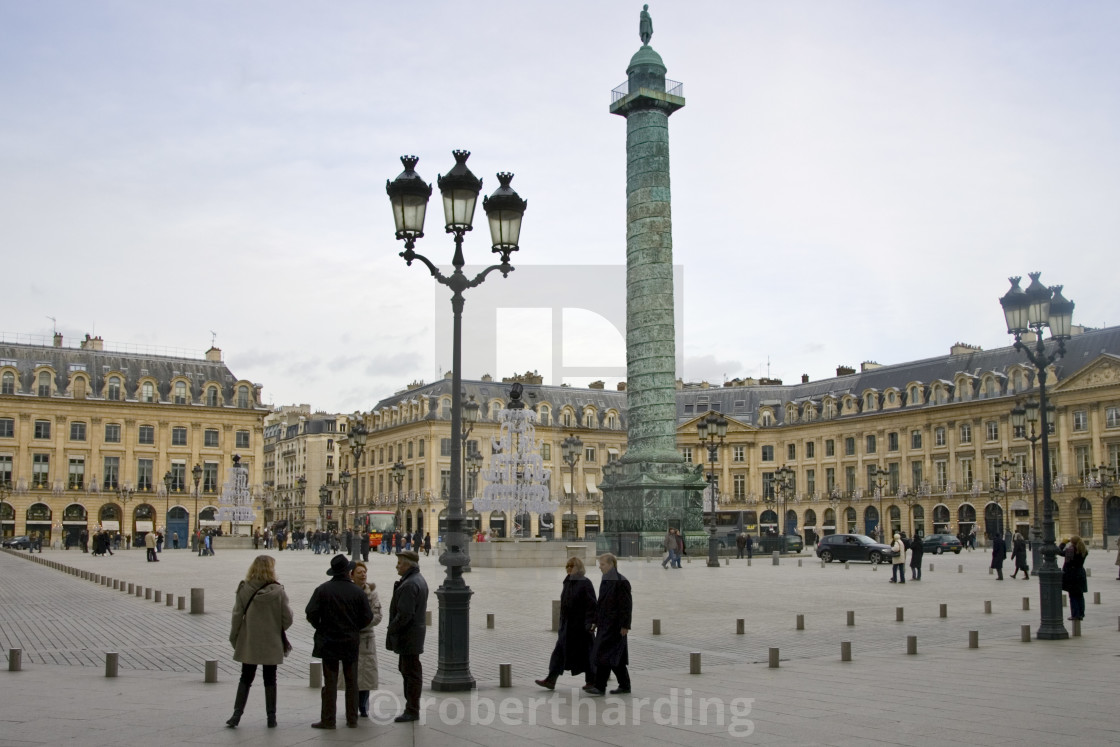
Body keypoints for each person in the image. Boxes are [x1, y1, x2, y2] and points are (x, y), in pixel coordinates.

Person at [306, 554, 374, 729]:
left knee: (330, 681)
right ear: (348, 572)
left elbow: (311, 613)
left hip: (328, 641)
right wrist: (354, 627)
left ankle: (329, 719)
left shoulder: (322, 590)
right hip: (350, 641)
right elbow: (367, 617)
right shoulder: (358, 592)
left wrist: (320, 627)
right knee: (352, 681)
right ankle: (352, 719)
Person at [226, 555, 293, 728]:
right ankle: (272, 717)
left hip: (250, 640)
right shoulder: (278, 591)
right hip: (271, 641)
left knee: (245, 677)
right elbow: (288, 618)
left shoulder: (244, 588)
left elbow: (236, 616)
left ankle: (236, 715)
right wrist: (275, 627)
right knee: (270, 678)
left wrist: (234, 637)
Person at [535, 556, 597, 691]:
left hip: (581, 628)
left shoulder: (585, 583)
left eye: (572, 566)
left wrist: (590, 623)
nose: (569, 568)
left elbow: (592, 605)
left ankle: (592, 681)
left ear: (579, 568)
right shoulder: (567, 581)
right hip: (567, 627)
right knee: (559, 653)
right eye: (567, 566)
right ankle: (551, 679)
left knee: (587, 654)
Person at [385, 550, 428, 722]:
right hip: (413, 634)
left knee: (410, 672)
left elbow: (405, 614)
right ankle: (411, 707)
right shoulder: (415, 580)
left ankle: (412, 709)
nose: (397, 566)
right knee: (408, 669)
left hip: (409, 635)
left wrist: (391, 628)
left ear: (408, 565)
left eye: (400, 563)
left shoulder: (410, 584)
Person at [586, 553, 632, 696]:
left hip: (616, 626)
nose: (600, 567)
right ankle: (621, 685)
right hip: (605, 625)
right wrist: (595, 621)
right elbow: (601, 603)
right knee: (609, 657)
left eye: (602, 564)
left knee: (609, 656)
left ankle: (602, 687)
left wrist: (625, 625)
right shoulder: (606, 579)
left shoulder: (621, 581)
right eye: (600, 564)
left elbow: (626, 606)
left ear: (611, 564)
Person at [348, 561, 382, 718]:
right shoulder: (347, 591)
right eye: (359, 572)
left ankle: (363, 705)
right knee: (352, 673)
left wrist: (362, 625)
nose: (363, 574)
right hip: (350, 638)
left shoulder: (372, 593)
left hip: (366, 637)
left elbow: (378, 615)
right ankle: (352, 705)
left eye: (364, 572)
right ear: (352, 575)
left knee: (366, 672)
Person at [1061, 536, 1088, 621]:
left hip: (1072, 575)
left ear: (1072, 542)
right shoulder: (1084, 550)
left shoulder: (1070, 550)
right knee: (1080, 595)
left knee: (1073, 596)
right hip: (1080, 573)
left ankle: (1075, 614)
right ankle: (1081, 613)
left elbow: (1058, 551)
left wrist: (1063, 543)